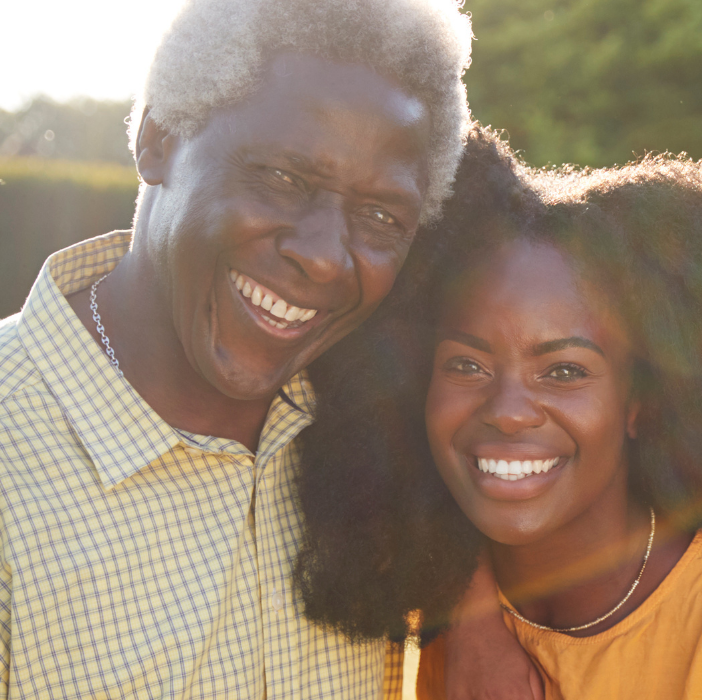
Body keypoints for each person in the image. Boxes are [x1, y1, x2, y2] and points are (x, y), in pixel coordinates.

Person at [292, 129, 702, 699]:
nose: (507, 413)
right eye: (466, 366)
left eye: (563, 371)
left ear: (641, 402)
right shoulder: (399, 585)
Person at [0, 0, 472, 695]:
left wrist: (482, 621)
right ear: (158, 137)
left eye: (380, 216)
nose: (323, 259)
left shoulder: (373, 421)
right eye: (283, 179)